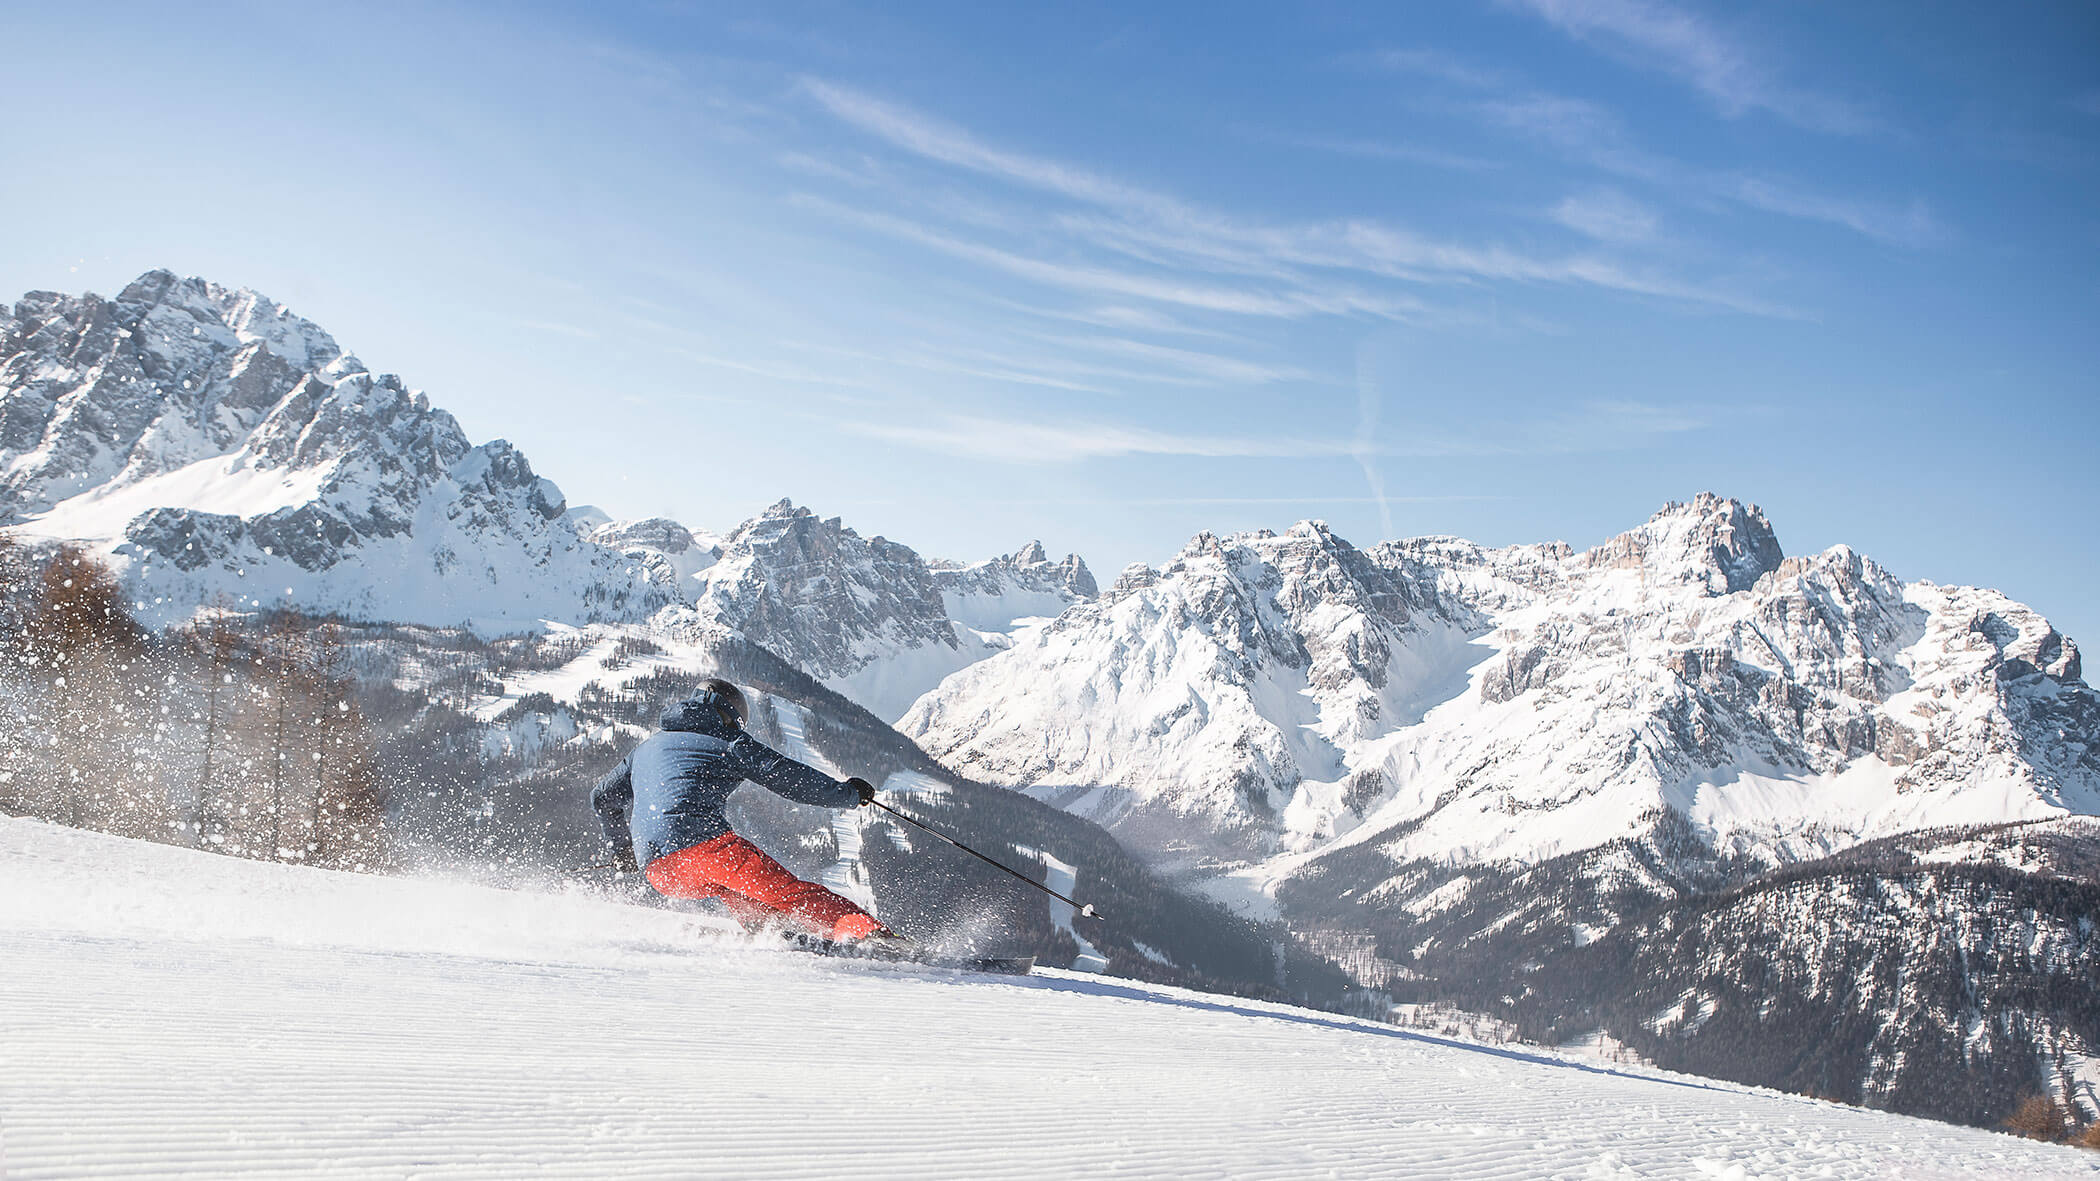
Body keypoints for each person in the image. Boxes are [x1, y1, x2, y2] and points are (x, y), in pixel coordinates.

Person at [592, 677, 900, 944]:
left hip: (660, 870)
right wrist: (848, 794)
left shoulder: (647, 747)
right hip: (704, 849)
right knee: (791, 893)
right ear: (728, 714)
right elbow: (790, 779)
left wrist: (622, 849)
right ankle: (870, 936)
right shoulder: (729, 741)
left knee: (733, 887)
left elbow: (602, 797)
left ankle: (770, 929)